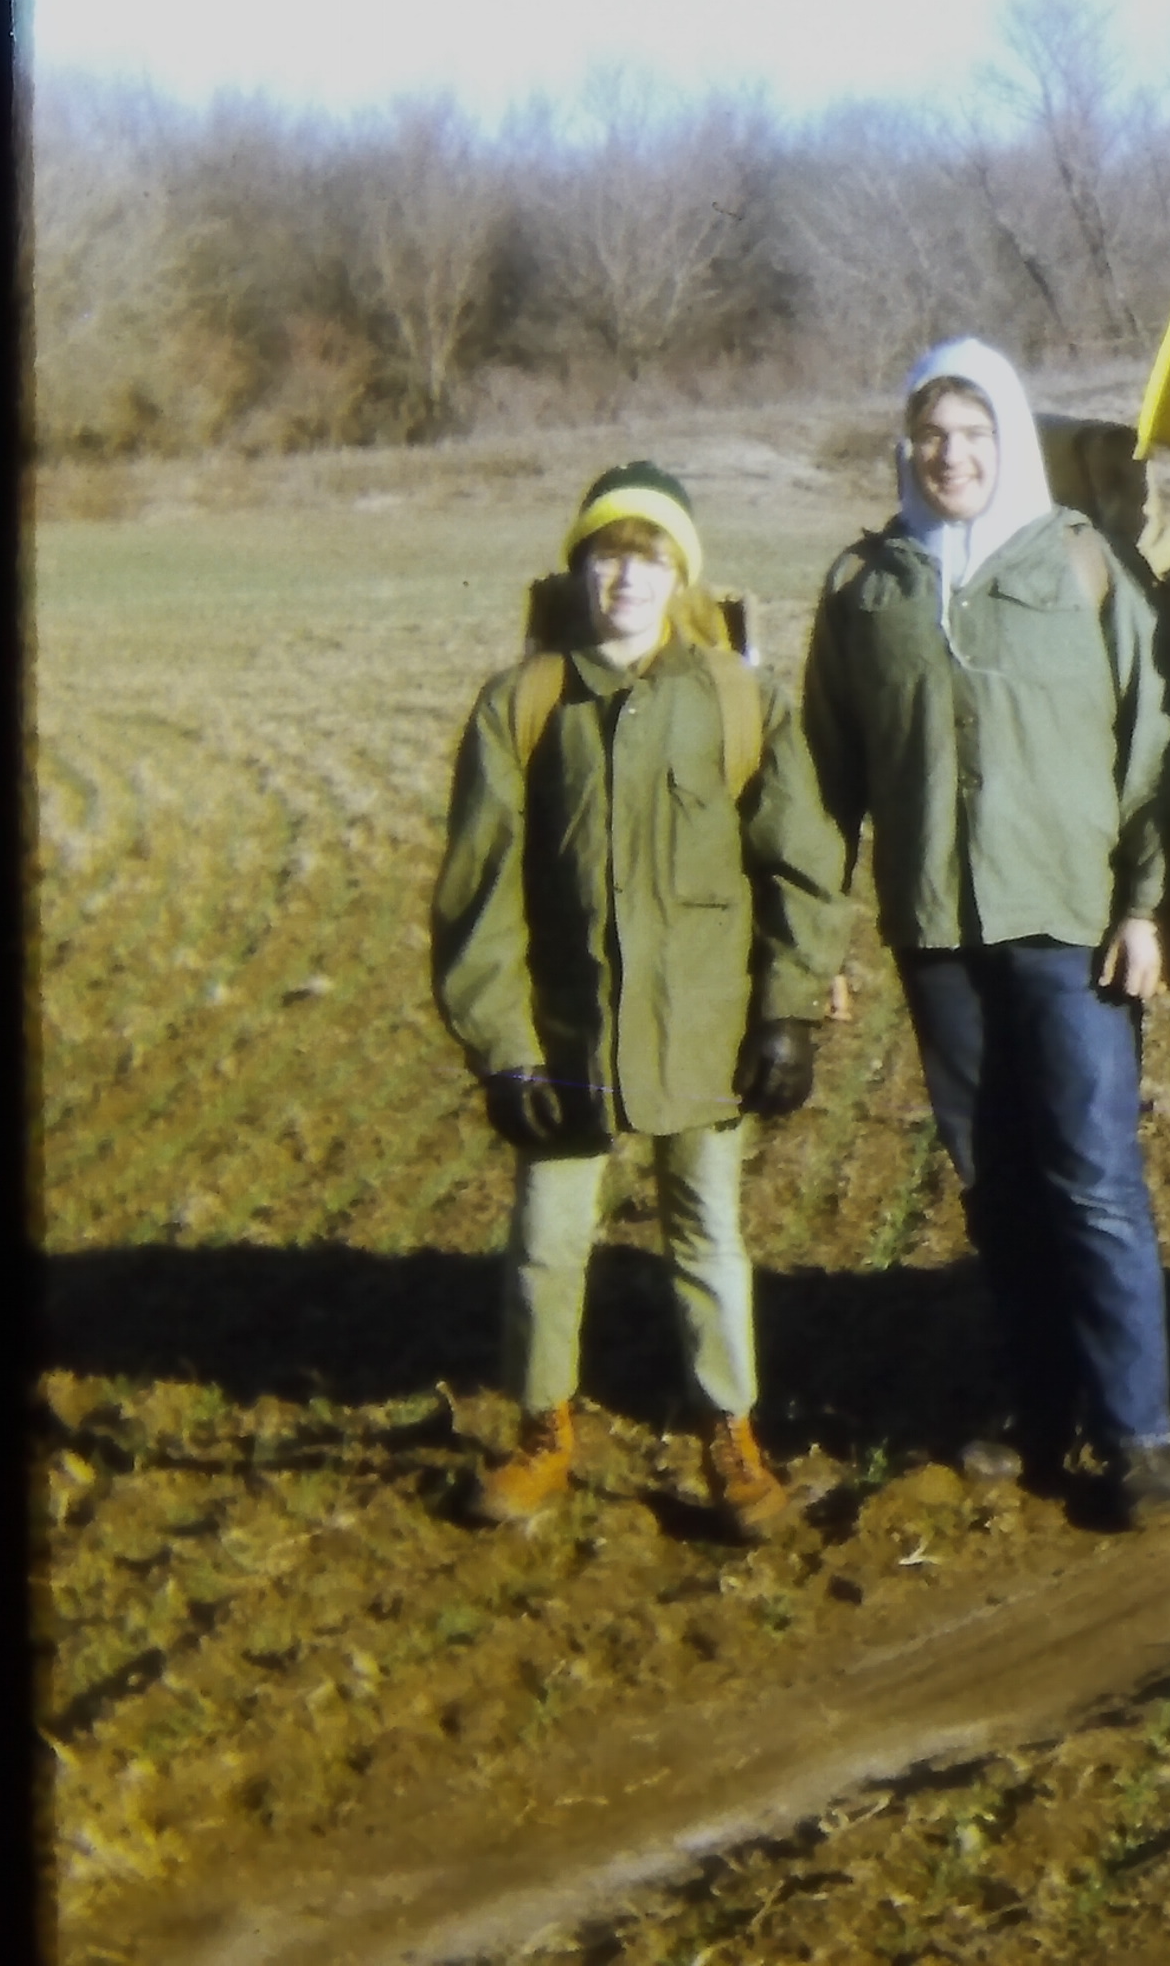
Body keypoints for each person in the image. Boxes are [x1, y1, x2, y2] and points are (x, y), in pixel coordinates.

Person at [803, 339, 1170, 1530]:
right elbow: (823, 779)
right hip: (937, 931)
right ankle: (1039, 1408)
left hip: (1067, 925)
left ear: (1009, 441)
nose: (953, 455)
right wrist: (814, 938)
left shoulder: (1081, 563)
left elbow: (1152, 749)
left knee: (1095, 1182)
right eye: (933, 434)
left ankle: (1140, 1436)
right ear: (907, 447)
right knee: (997, 1185)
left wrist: (1143, 905)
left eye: (975, 433)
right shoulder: (866, 585)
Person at [431, 463, 850, 1540]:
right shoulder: (522, 703)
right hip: (568, 1034)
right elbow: (479, 893)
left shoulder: (740, 699)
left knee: (708, 1237)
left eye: (650, 555)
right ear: (579, 568)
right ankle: (544, 1433)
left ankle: (731, 1436)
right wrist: (501, 1048)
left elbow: (803, 863)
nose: (627, 575)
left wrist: (789, 1011)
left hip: (704, 1033)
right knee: (545, 1239)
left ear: (682, 574)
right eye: (608, 553)